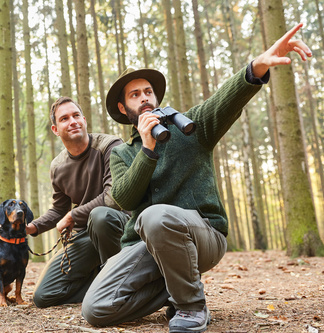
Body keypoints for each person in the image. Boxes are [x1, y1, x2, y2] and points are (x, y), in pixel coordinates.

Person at [81, 23, 312, 332]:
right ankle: (176, 288)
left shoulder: (191, 127)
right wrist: (147, 149)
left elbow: (225, 99)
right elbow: (124, 197)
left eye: (148, 92)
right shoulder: (122, 153)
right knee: (95, 308)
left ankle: (191, 306)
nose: (145, 98)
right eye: (136, 95)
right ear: (124, 109)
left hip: (203, 236)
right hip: (146, 246)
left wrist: (256, 67)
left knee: (154, 217)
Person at [26, 96, 129, 308]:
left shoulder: (111, 146)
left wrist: (73, 215)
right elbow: (59, 209)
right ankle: (100, 285)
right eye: (64, 119)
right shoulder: (58, 166)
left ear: (84, 120)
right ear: (55, 130)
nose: (72, 121)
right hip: (85, 236)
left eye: (75, 116)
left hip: (120, 226)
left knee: (100, 216)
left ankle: (119, 284)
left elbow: (113, 198)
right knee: (43, 296)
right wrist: (31, 227)